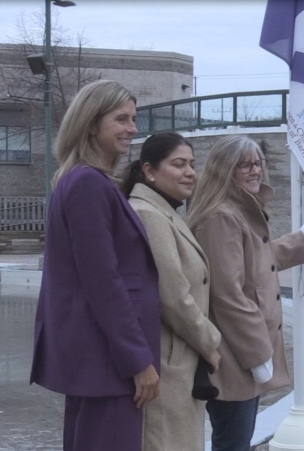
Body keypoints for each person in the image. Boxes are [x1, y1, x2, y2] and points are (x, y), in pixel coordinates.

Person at [29, 80, 160, 451]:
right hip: (108, 363)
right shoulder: (88, 184)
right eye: (121, 119)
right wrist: (138, 361)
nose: (132, 128)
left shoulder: (82, 181)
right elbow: (103, 282)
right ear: (90, 124)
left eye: (133, 118)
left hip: (96, 360)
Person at [187, 135, 304, 451]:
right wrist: (259, 354)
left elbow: (259, 259)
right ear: (226, 170)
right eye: (244, 165)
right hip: (234, 356)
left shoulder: (237, 210)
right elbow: (228, 295)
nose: (255, 171)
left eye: (257, 163)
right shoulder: (223, 216)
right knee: (233, 442)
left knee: (236, 439)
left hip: (238, 353)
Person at [121, 132, 222, 450]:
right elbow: (173, 295)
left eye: (192, 164)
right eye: (179, 164)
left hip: (179, 362)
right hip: (167, 362)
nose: (190, 172)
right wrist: (210, 342)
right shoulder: (149, 215)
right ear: (150, 171)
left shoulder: (166, 213)